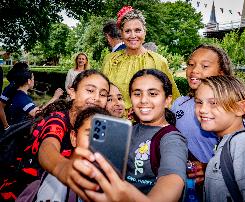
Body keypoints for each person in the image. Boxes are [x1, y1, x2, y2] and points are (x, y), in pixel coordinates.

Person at [73, 69, 188, 202]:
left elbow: (172, 179)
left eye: (153, 94)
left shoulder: (171, 138)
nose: (144, 100)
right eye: (137, 94)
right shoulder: (128, 130)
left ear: (167, 100)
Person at [28, 69, 110, 201]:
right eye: (90, 90)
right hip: (34, 188)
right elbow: (48, 147)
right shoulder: (57, 119)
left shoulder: (99, 123)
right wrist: (62, 168)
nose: (96, 97)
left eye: (103, 94)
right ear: (72, 92)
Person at [171, 44, 234, 188]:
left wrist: (209, 168)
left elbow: (236, 155)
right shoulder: (179, 103)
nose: (194, 70)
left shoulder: (227, 108)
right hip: (181, 182)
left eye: (205, 66)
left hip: (215, 183)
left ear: (221, 73)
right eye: (190, 64)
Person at [102, 6, 180, 109]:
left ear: (145, 32)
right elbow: (102, 93)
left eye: (138, 30)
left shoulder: (158, 61)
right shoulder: (110, 60)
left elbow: (172, 98)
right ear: (121, 33)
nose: (133, 35)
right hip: (115, 121)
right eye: (128, 31)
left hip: (150, 121)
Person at [33, 106, 110, 202]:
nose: (96, 144)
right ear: (74, 138)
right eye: (90, 135)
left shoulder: (113, 184)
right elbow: (47, 147)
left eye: (105, 139)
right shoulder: (56, 181)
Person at [0, 62, 29, 130]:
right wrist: (6, 125)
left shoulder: (19, 87)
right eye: (27, 70)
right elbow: (0, 106)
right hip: (9, 123)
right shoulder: (11, 87)